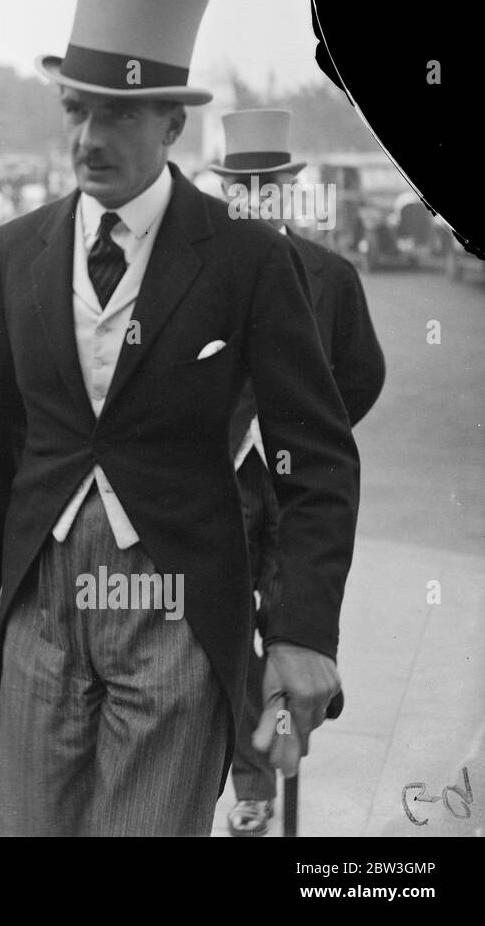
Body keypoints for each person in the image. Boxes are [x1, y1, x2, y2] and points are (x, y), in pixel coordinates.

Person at [0, 0, 360, 837]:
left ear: (173, 124)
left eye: (120, 115)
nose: (90, 138)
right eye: (76, 110)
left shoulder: (246, 259)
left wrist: (301, 631)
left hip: (176, 605)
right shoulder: (15, 251)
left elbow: (316, 460)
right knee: (24, 826)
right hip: (40, 604)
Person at [210, 109, 386, 835]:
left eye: (267, 184)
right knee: (220, 637)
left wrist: (311, 436)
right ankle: (250, 780)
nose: (254, 196)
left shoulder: (329, 275)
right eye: (240, 185)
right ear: (226, 190)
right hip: (219, 483)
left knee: (291, 630)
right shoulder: (199, 271)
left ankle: (281, 744)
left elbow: (362, 372)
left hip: (289, 490)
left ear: (288, 189)